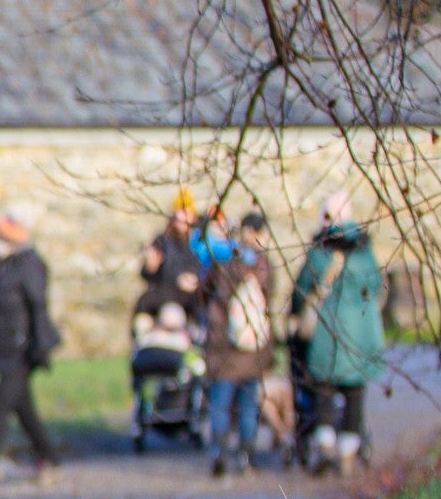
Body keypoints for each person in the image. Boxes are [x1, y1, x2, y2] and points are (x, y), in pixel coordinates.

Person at [293, 193, 386, 473]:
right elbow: (379, 285)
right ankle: (347, 455)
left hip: (326, 333)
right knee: (355, 396)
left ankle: (325, 449)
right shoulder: (365, 252)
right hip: (361, 334)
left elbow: (301, 290)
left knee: (322, 393)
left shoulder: (319, 253)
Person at [0, 207, 60, 473]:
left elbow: (38, 306)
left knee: (1, 401)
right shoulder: (7, 267)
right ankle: (50, 459)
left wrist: (40, 345)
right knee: (23, 408)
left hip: (23, 348)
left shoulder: (29, 265)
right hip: (6, 348)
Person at [202, 211, 278, 477]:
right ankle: (247, 455)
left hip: (224, 347)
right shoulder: (263, 266)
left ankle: (219, 451)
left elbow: (205, 294)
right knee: (248, 405)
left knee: (220, 403)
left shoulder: (222, 263)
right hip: (253, 349)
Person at [135, 190, 204, 333]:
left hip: (189, 302)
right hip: (163, 297)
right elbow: (147, 274)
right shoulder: (162, 241)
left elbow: (201, 270)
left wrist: (193, 280)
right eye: (180, 213)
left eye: (187, 214)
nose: (183, 218)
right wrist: (150, 267)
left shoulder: (198, 244)